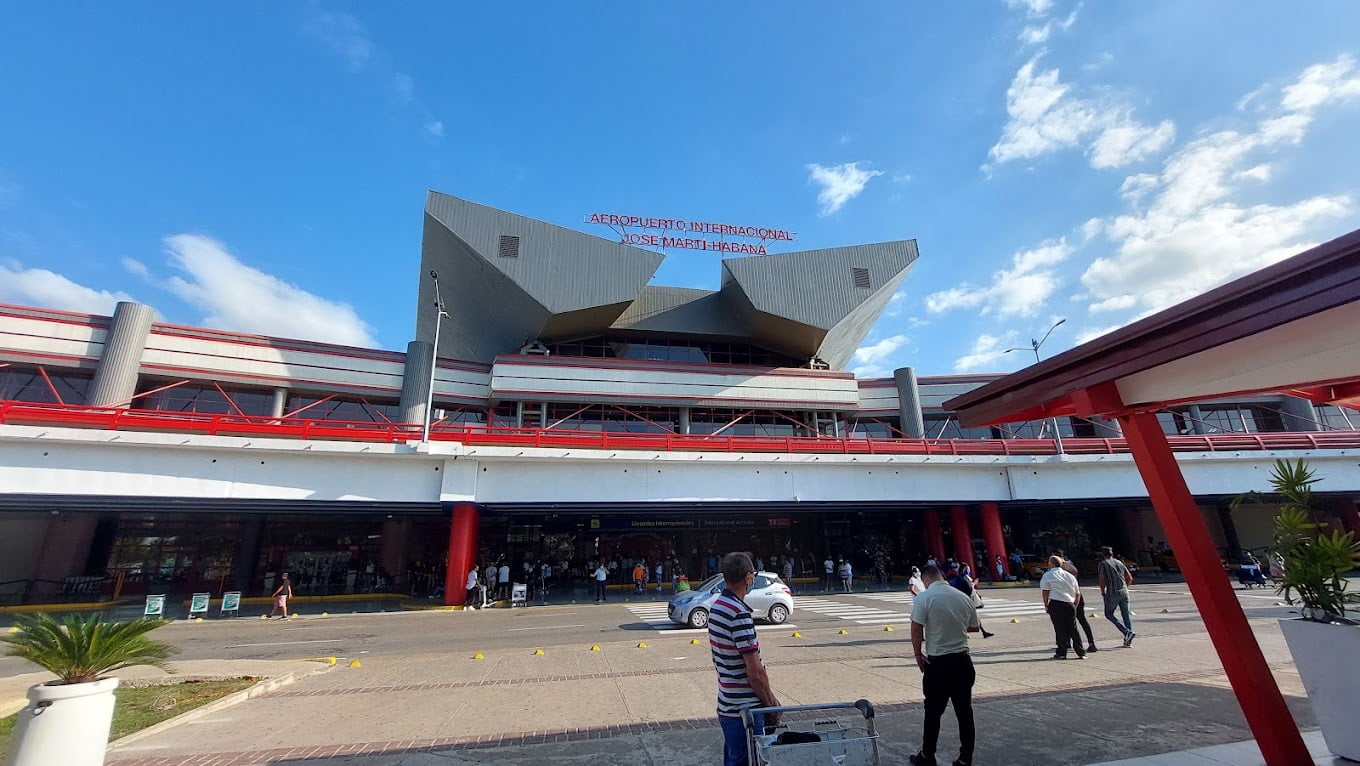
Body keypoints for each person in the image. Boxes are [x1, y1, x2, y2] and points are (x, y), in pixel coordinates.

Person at [709, 551, 781, 766]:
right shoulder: (739, 613)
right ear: (748, 577)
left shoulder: (718, 606)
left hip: (727, 704)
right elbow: (755, 672)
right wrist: (771, 704)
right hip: (746, 711)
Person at [909, 564, 980, 766]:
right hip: (963, 661)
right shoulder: (962, 597)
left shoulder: (925, 597)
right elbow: (974, 627)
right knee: (964, 712)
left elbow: (916, 628)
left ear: (926, 580)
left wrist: (917, 654)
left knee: (932, 713)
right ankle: (965, 758)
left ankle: (927, 755)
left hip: (938, 663)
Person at [1041, 555, 1085, 659]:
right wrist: (1074, 605)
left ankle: (1062, 652)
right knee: (1073, 628)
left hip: (1056, 603)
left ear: (1051, 563)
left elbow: (1045, 591)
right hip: (1069, 603)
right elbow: (1077, 593)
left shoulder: (1048, 575)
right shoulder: (1070, 576)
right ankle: (1080, 652)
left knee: (1059, 628)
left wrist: (1046, 604)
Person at [1057, 551, 1098, 652]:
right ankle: (1091, 642)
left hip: (1067, 597)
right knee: (1082, 620)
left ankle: (1069, 643)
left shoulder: (1061, 569)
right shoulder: (1072, 566)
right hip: (1078, 595)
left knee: (1066, 621)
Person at [1098, 546, 1136, 646]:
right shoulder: (1120, 562)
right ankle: (1128, 639)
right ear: (1112, 553)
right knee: (1126, 614)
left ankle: (1126, 632)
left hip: (1112, 592)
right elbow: (1130, 577)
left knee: (1109, 614)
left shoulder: (1103, 564)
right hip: (1124, 592)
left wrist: (1102, 591)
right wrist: (1125, 587)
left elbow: (1102, 578)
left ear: (1103, 554)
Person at [948, 565, 994, 639]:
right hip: (964, 601)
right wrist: (974, 583)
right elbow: (968, 589)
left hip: (967, 600)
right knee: (965, 618)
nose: (968, 570)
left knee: (973, 616)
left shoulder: (964, 577)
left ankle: (983, 632)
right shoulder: (962, 578)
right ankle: (964, 633)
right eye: (966, 569)